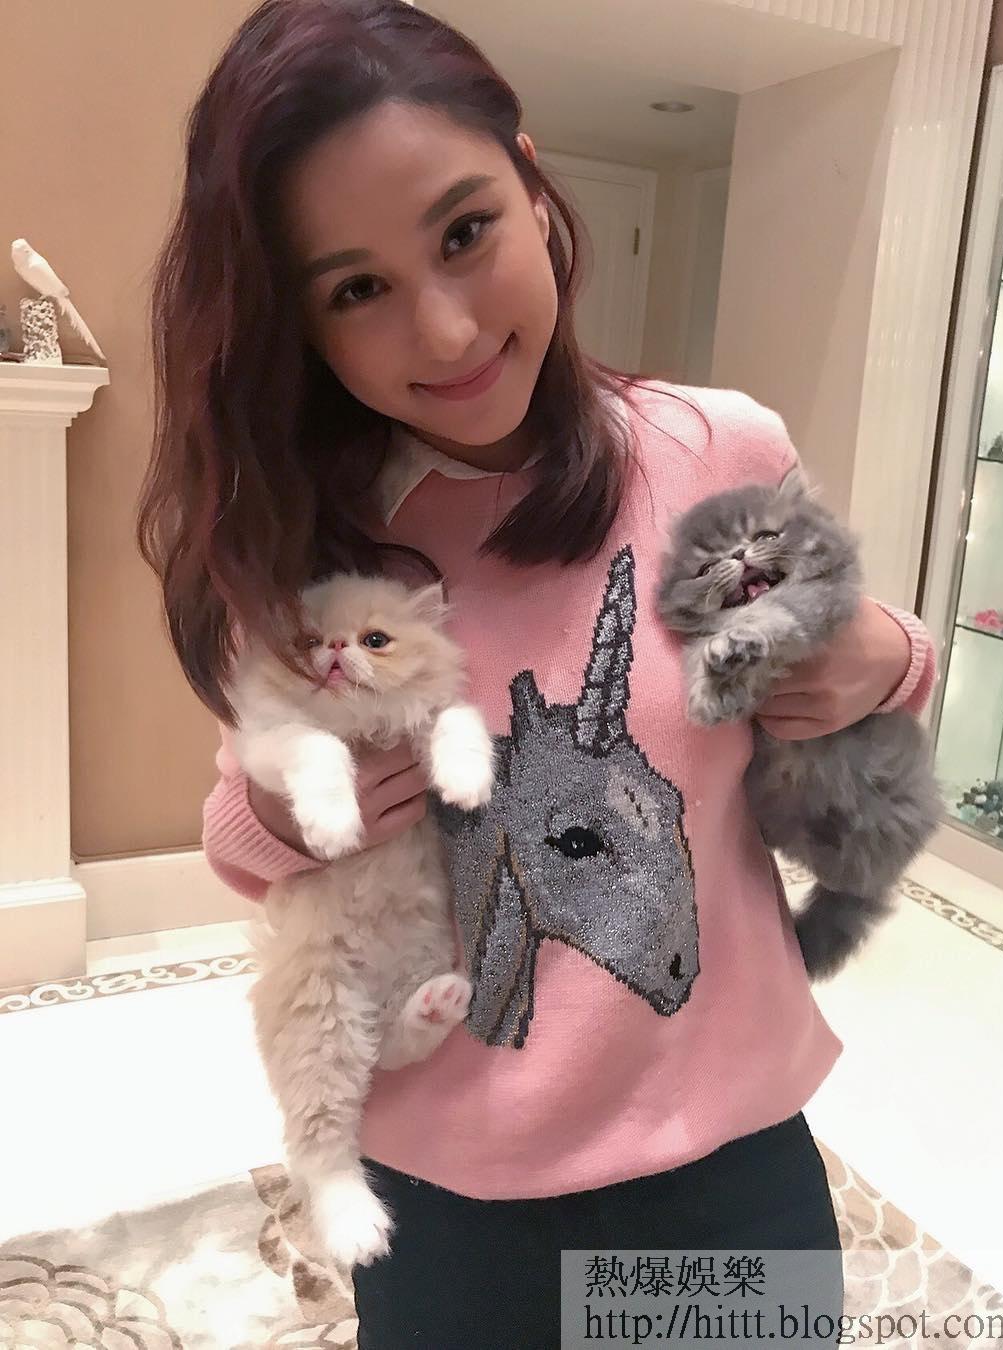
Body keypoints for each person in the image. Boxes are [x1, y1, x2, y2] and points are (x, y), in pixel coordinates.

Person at [137, 2, 936, 1345]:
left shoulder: (719, 451)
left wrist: (891, 655)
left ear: (529, 177)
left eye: (465, 231)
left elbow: (848, 711)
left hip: (722, 1169)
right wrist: (279, 811)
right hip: (455, 1201)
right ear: (302, 324)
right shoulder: (319, 543)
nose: (447, 331)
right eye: (357, 290)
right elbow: (242, 833)